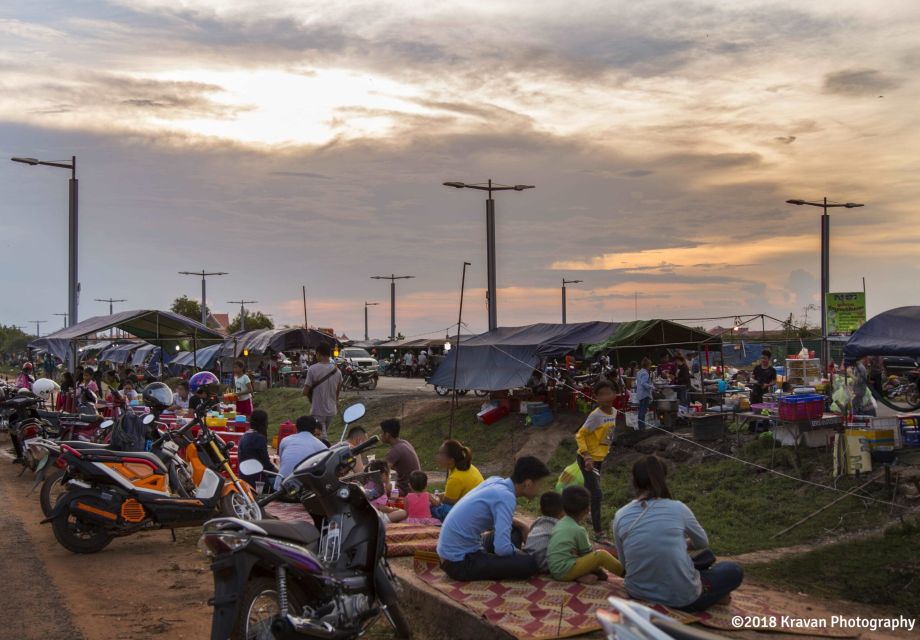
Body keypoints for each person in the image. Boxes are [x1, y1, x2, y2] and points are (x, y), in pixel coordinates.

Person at [613, 455, 743, 611]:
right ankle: (715, 595)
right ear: (663, 478)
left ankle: (714, 593)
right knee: (732, 570)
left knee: (700, 559)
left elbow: (624, 562)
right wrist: (686, 544)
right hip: (683, 599)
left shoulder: (620, 514)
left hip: (637, 592)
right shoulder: (678, 508)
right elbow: (702, 542)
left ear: (634, 481)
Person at [437, 456, 551, 582]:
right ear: (528, 483)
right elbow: (502, 549)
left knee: (514, 533)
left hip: (450, 554)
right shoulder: (506, 497)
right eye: (540, 484)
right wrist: (521, 554)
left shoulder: (495, 481)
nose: (540, 489)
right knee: (530, 563)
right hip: (459, 563)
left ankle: (499, 561)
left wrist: (521, 526)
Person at [548, 486, 624, 583]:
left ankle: (580, 576)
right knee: (601, 555)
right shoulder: (579, 530)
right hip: (564, 570)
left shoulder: (559, 523)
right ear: (587, 510)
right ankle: (626, 574)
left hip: (554, 569)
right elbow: (589, 555)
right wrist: (599, 570)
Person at [575, 380, 617, 541]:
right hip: (588, 459)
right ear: (596, 398)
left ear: (615, 394)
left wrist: (605, 447)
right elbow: (580, 435)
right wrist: (586, 456)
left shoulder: (614, 412)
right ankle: (598, 533)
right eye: (601, 394)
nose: (606, 397)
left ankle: (578, 512)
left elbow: (609, 433)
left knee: (589, 491)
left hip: (599, 458)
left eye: (609, 393)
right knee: (597, 494)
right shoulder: (595, 416)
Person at [431, 439, 483, 521]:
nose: (438, 457)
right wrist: (439, 495)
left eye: (441, 454)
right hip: (479, 508)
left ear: (451, 460)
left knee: (435, 508)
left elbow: (447, 501)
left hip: (473, 514)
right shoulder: (466, 467)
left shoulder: (456, 477)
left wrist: (433, 498)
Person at [275, 415, 328, 489]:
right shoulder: (322, 447)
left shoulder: (285, 440)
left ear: (296, 427)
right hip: (303, 493)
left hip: (279, 489)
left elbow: (282, 463)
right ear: (313, 429)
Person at [302, 343, 343, 438]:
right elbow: (337, 392)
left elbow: (305, 391)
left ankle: (324, 450)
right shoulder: (338, 371)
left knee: (321, 437)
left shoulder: (313, 369)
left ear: (318, 354)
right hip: (332, 410)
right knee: (322, 434)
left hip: (318, 410)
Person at [522, 491, 564, 573]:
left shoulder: (538, 521)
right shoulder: (561, 526)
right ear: (563, 512)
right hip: (545, 564)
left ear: (540, 510)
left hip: (528, 557)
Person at [238, 409, 277, 490]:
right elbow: (267, 465)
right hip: (257, 482)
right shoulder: (259, 438)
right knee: (283, 481)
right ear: (264, 422)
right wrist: (280, 473)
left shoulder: (245, 435)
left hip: (243, 479)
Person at [380, 418, 420, 496]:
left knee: (378, 489)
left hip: (406, 490)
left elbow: (381, 471)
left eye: (382, 433)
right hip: (414, 487)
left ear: (387, 435)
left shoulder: (396, 450)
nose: (380, 435)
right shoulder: (404, 443)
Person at [634, 358, 654, 430]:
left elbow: (638, 383)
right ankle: (642, 427)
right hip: (644, 394)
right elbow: (644, 383)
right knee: (643, 411)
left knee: (641, 411)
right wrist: (652, 387)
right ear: (648, 365)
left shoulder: (639, 372)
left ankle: (641, 426)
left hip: (639, 393)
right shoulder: (645, 373)